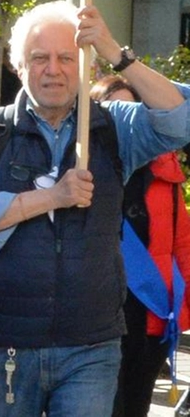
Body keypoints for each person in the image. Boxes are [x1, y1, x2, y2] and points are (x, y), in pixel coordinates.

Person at [0, 2, 190, 417]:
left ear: (83, 65)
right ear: (18, 66)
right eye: (39, 58)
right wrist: (50, 198)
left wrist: (116, 53)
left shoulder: (115, 126)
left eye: (66, 58)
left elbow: (179, 121)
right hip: (5, 341)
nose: (53, 70)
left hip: (90, 345)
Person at [92, 76, 185, 417]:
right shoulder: (81, 171)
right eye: (114, 109)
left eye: (133, 110)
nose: (124, 119)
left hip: (149, 314)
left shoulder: (165, 169)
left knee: (134, 405)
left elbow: (182, 243)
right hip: (96, 314)